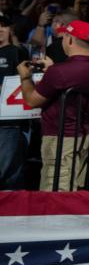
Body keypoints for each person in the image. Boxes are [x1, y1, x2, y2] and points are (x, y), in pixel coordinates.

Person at [15, 20, 89, 191]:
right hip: (88, 136)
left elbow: (31, 100)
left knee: (56, 191)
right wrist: (54, 69)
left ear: (70, 40)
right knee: (75, 189)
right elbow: (75, 77)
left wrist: (25, 77)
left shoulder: (59, 72)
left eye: (64, 36)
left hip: (61, 138)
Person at [0, 18, 30, 188]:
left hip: (9, 122)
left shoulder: (17, 52)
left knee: (9, 174)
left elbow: (24, 81)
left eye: (3, 26)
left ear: (10, 29)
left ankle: (12, 211)